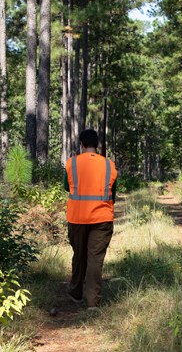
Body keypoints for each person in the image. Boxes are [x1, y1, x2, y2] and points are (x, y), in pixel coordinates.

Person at [64, 129, 118, 309]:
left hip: (77, 217)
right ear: (98, 145)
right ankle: (93, 302)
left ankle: (76, 293)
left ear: (81, 144)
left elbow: (67, 186)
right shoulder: (109, 165)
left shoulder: (71, 163)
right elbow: (113, 193)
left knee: (79, 256)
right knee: (95, 259)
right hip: (102, 218)